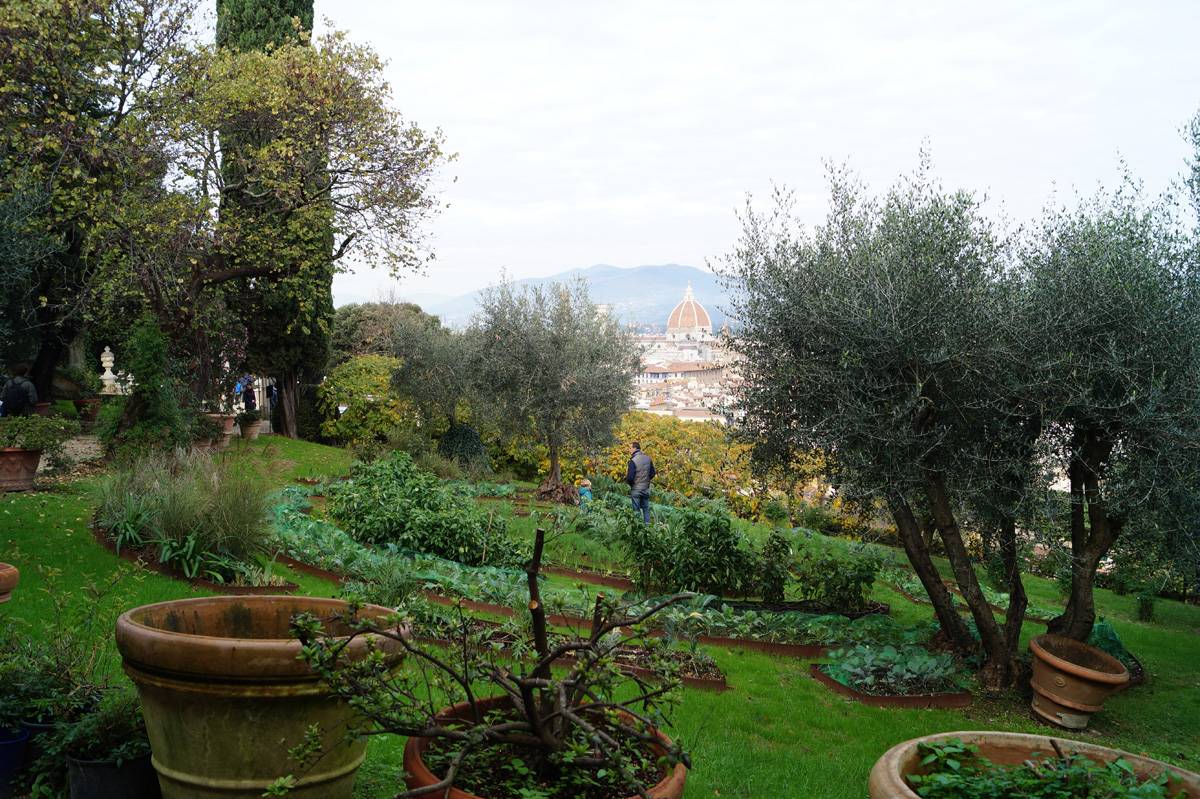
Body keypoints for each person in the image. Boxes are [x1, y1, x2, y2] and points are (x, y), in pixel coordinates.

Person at [624, 441, 655, 523]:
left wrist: (632, 485)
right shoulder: (648, 459)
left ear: (635, 448)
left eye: (630, 448)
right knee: (646, 509)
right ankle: (647, 530)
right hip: (646, 488)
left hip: (636, 489)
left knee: (636, 511)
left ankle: (637, 531)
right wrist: (646, 481)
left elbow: (630, 477)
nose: (629, 450)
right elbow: (652, 474)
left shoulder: (633, 461)